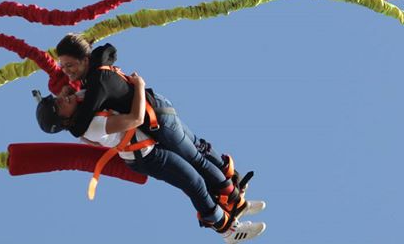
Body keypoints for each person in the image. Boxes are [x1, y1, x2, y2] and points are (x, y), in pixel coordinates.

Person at [34, 72, 266, 243]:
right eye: (57, 107)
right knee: (193, 181)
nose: (60, 100)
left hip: (148, 144)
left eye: (55, 100)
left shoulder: (81, 102)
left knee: (197, 156)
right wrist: (139, 86)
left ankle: (233, 203)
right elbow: (134, 118)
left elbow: (69, 90)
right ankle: (226, 230)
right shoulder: (90, 126)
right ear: (64, 121)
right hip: (145, 156)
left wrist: (64, 85)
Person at [46, 33, 251, 215]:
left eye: (70, 66)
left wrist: (63, 122)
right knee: (198, 148)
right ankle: (232, 182)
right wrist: (68, 92)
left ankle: (233, 201)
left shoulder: (98, 81)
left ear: (84, 60)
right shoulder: (95, 73)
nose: (66, 72)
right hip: (160, 109)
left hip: (158, 120)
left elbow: (80, 125)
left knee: (196, 160)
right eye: (63, 67)